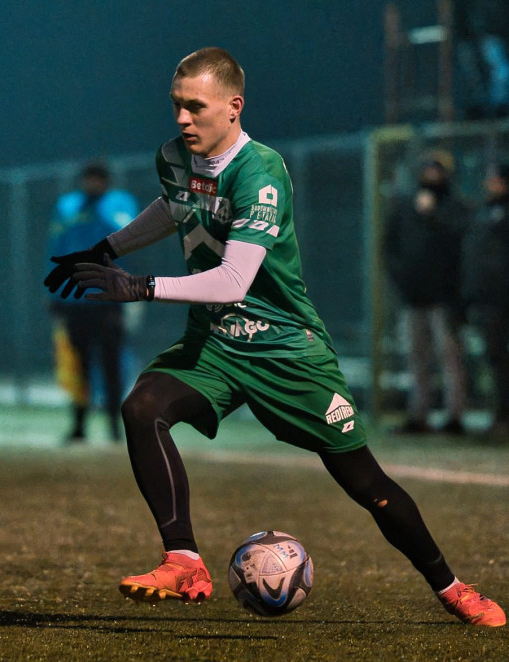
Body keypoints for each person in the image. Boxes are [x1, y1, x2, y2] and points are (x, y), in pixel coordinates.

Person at [43, 47, 504, 626]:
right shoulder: (174, 158)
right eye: (176, 107)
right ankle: (183, 558)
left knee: (366, 483)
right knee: (142, 407)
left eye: (195, 107)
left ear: (233, 107)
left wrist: (137, 285)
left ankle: (453, 588)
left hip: (286, 348)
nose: (182, 119)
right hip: (214, 342)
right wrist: (105, 248)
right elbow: (173, 206)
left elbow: (235, 279)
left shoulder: (260, 172)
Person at [47, 161, 138, 442]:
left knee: (112, 364)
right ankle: (79, 425)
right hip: (76, 302)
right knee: (79, 366)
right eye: (89, 179)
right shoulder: (67, 206)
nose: (93, 184)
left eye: (99, 179)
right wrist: (53, 294)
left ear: (107, 181)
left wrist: (100, 209)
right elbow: (56, 248)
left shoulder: (119, 203)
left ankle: (114, 426)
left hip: (111, 299)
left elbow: (127, 235)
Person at [382, 151, 469, 434]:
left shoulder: (454, 206)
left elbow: (461, 242)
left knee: (450, 358)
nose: (432, 174)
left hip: (444, 297)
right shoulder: (406, 205)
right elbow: (389, 246)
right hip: (414, 296)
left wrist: (433, 215)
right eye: (428, 169)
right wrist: (402, 280)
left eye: (438, 170)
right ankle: (419, 415)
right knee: (417, 358)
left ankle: (455, 417)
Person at [461, 162, 509, 441]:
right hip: (489, 300)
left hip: (501, 297)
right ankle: (502, 415)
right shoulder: (482, 213)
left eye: (495, 179)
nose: (489, 184)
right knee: (496, 359)